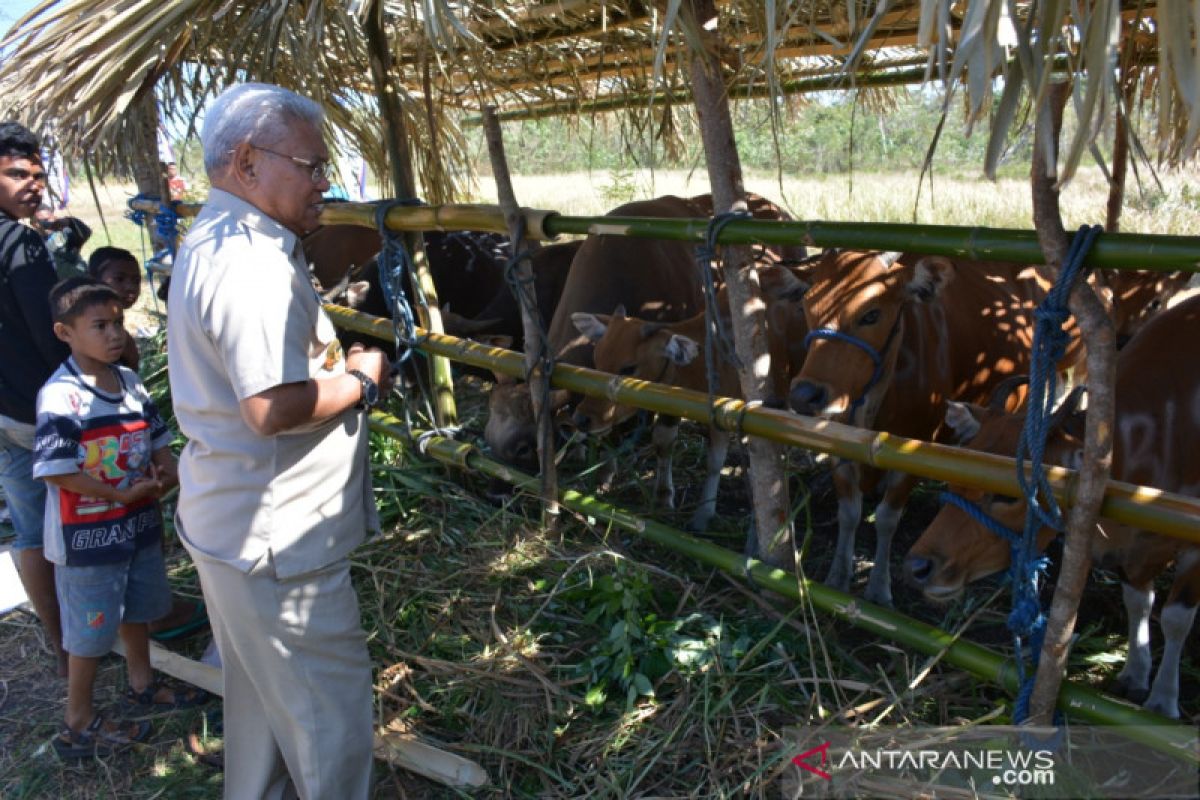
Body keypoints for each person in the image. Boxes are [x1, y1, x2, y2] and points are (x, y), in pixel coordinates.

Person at [168, 82, 389, 799]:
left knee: (262, 704)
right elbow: (267, 406)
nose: (325, 181)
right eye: (311, 164)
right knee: (330, 722)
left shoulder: (216, 237)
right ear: (246, 160)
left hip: (231, 524)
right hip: (278, 543)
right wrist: (361, 381)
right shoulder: (251, 262)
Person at [34, 277, 207, 758]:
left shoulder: (129, 383)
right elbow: (58, 473)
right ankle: (78, 719)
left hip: (136, 527)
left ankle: (142, 682)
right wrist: (120, 492)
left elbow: (159, 446)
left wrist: (170, 477)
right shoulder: (61, 397)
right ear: (64, 332)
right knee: (90, 632)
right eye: (100, 326)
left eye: (119, 323)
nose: (116, 335)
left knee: (136, 610)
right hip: (86, 541)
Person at [87, 246, 211, 642]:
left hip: (135, 451)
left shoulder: (120, 337)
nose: (128, 288)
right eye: (117, 280)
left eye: (133, 280)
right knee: (130, 536)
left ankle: (149, 608)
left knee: (146, 530)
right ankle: (147, 613)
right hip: (116, 461)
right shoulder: (103, 347)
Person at [0, 120, 69, 677]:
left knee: (28, 529)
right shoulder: (21, 243)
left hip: (4, 412)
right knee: (80, 523)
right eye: (18, 173)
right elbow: (49, 334)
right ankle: (106, 626)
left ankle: (62, 643)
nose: (33, 185)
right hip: (38, 411)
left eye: (39, 175)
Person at [33, 204, 91, 280]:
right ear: (33, 223)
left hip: (79, 281)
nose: (44, 224)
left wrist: (69, 221)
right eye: (39, 222)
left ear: (54, 218)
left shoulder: (66, 234)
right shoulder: (31, 243)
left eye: (46, 220)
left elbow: (85, 232)